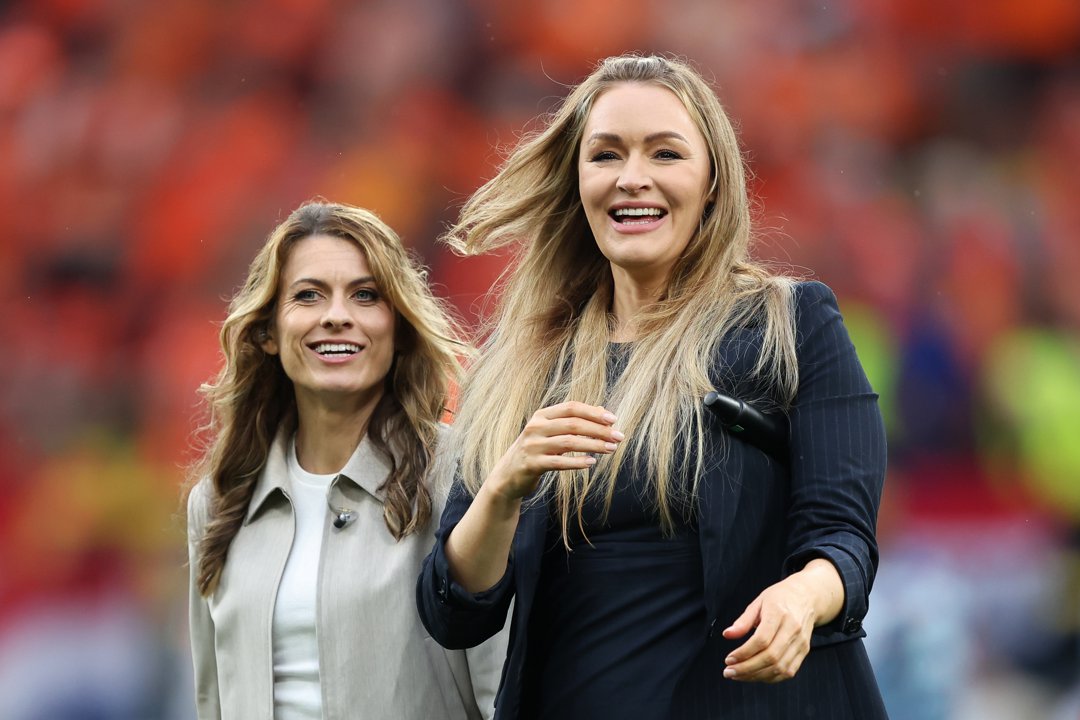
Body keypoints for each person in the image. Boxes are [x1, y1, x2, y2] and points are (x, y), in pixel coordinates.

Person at [416, 54, 888, 719]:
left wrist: (801, 599)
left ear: (713, 183)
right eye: (606, 155)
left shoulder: (791, 325)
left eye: (665, 154)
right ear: (577, 181)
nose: (632, 178)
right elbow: (454, 613)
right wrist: (502, 489)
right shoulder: (521, 365)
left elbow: (844, 540)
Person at [186, 200, 506, 719]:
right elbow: (212, 700)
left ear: (399, 328)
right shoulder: (219, 501)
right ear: (267, 332)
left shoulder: (462, 474)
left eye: (365, 295)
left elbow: (504, 691)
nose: (336, 316)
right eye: (308, 295)